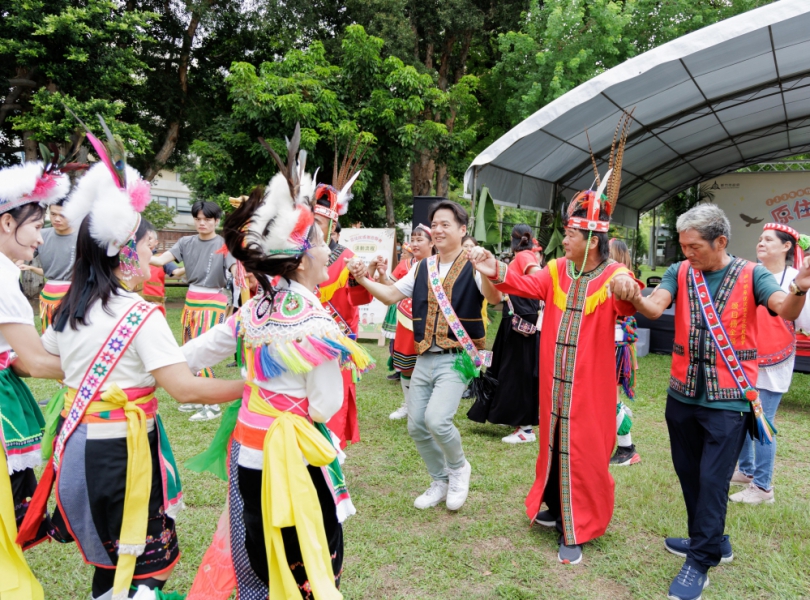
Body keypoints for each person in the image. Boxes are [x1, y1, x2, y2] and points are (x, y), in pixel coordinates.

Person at [16, 152, 243, 600]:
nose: (150, 255)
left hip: (78, 447)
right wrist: (254, 387)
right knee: (146, 568)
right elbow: (183, 387)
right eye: (146, 246)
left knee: (108, 558)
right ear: (125, 251)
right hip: (127, 453)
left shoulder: (68, 312)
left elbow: (38, 362)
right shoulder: (141, 314)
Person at [181, 131, 367, 598]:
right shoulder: (315, 322)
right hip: (294, 459)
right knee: (308, 554)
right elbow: (324, 406)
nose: (330, 252)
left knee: (257, 550)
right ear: (303, 262)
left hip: (248, 451)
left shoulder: (254, 308)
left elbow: (196, 354)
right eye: (324, 244)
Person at [467, 112, 641, 565]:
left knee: (583, 453)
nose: (563, 240)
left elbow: (629, 298)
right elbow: (524, 286)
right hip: (554, 384)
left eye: (569, 233)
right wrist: (492, 267)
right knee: (553, 445)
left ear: (592, 237)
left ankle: (576, 529)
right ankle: (553, 507)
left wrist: (630, 290)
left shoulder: (614, 273)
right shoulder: (558, 271)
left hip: (590, 389)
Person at [630, 204, 810, 600]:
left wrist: (800, 286)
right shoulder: (680, 272)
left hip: (729, 402)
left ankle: (700, 560)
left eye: (693, 246)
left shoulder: (751, 274)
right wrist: (635, 298)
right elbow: (655, 306)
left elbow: (785, 308)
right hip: (681, 394)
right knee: (690, 474)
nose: (687, 253)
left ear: (720, 241)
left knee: (713, 481)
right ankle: (712, 541)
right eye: (683, 245)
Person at [347, 200, 502, 511]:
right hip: (424, 357)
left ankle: (459, 469)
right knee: (416, 424)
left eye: (446, 224)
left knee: (437, 420)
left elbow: (495, 299)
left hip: (457, 357)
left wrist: (486, 270)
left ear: (463, 229)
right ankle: (439, 479)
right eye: (436, 224)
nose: (439, 229)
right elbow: (391, 295)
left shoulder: (473, 264)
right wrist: (364, 279)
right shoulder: (421, 267)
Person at [0, 160, 69, 599]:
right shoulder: (4, 278)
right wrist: (109, 365)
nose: (42, 237)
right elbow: (36, 363)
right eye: (36, 225)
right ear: (7, 222)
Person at [728, 223, 810, 505]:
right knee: (743, 415)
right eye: (759, 238)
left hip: (775, 359)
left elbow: (805, 323)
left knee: (762, 421)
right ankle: (747, 471)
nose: (760, 243)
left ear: (787, 246)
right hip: (746, 356)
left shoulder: (796, 279)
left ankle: (763, 488)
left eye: (768, 239)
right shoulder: (749, 273)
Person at [151, 200, 237, 422]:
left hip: (213, 300)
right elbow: (160, 260)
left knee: (203, 350)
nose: (202, 223)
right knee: (189, 349)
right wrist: (131, 249)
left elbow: (236, 269)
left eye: (207, 219)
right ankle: (199, 399)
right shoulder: (185, 242)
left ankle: (212, 404)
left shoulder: (224, 244)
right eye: (198, 219)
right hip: (191, 300)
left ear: (216, 221)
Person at [313, 166, 373, 448]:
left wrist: (359, 277)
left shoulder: (348, 257)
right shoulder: (294, 255)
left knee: (334, 395)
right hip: (302, 338)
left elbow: (362, 298)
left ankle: (332, 450)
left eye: (320, 222)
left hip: (337, 338)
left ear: (332, 226)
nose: (313, 226)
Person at [477, 224, 541, 443]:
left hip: (521, 319)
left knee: (519, 372)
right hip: (515, 318)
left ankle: (525, 429)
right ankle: (515, 419)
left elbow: (540, 281)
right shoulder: (521, 258)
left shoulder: (523, 257)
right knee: (509, 370)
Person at [374, 225, 435, 420]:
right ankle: (409, 405)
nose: (415, 244)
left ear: (432, 243)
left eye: (420, 240)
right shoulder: (405, 265)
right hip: (406, 321)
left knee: (430, 366)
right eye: (413, 239)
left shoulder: (439, 265)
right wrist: (382, 275)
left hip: (432, 322)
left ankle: (429, 407)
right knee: (406, 365)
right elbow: (391, 287)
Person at [16, 199, 79, 330]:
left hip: (76, 295)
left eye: (62, 215)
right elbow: (21, 256)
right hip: (48, 296)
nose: (56, 219)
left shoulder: (82, 237)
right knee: (49, 338)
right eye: (53, 214)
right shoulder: (41, 235)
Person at [608, 238, 641, 466]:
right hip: (615, 347)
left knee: (612, 401)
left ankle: (627, 448)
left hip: (616, 349)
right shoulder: (617, 278)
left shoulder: (621, 280)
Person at [137, 226, 183, 315]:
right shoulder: (133, 256)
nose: (147, 241)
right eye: (144, 238)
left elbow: (177, 272)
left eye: (150, 238)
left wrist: (191, 267)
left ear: (156, 242)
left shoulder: (162, 258)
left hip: (155, 303)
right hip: (136, 301)